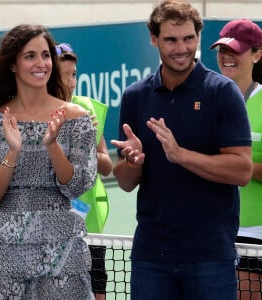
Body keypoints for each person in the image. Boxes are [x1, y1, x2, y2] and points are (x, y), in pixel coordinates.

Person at [110, 1, 253, 299]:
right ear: (153, 39)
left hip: (210, 255)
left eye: (189, 38)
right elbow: (124, 182)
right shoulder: (135, 96)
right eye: (171, 40)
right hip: (151, 255)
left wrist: (181, 155)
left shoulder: (222, 93)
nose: (181, 48)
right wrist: (133, 162)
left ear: (198, 37)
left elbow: (241, 170)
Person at [0, 24, 97, 300]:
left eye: (45, 55)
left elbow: (76, 187)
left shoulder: (76, 118)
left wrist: (52, 145)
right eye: (30, 56)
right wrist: (13, 153)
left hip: (62, 251)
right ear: (13, 64)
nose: (41, 64)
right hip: (5, 253)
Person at [56, 42, 113, 300]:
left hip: (88, 223)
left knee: (97, 290)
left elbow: (107, 165)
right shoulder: (35, 113)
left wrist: (87, 141)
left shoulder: (88, 109)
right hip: (50, 226)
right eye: (64, 76)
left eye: (74, 74)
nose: (71, 82)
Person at [210, 19, 262, 300]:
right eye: (222, 50)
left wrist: (231, 164)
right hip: (208, 230)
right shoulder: (203, 101)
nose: (227, 57)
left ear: (257, 54)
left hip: (254, 231)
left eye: (236, 50)